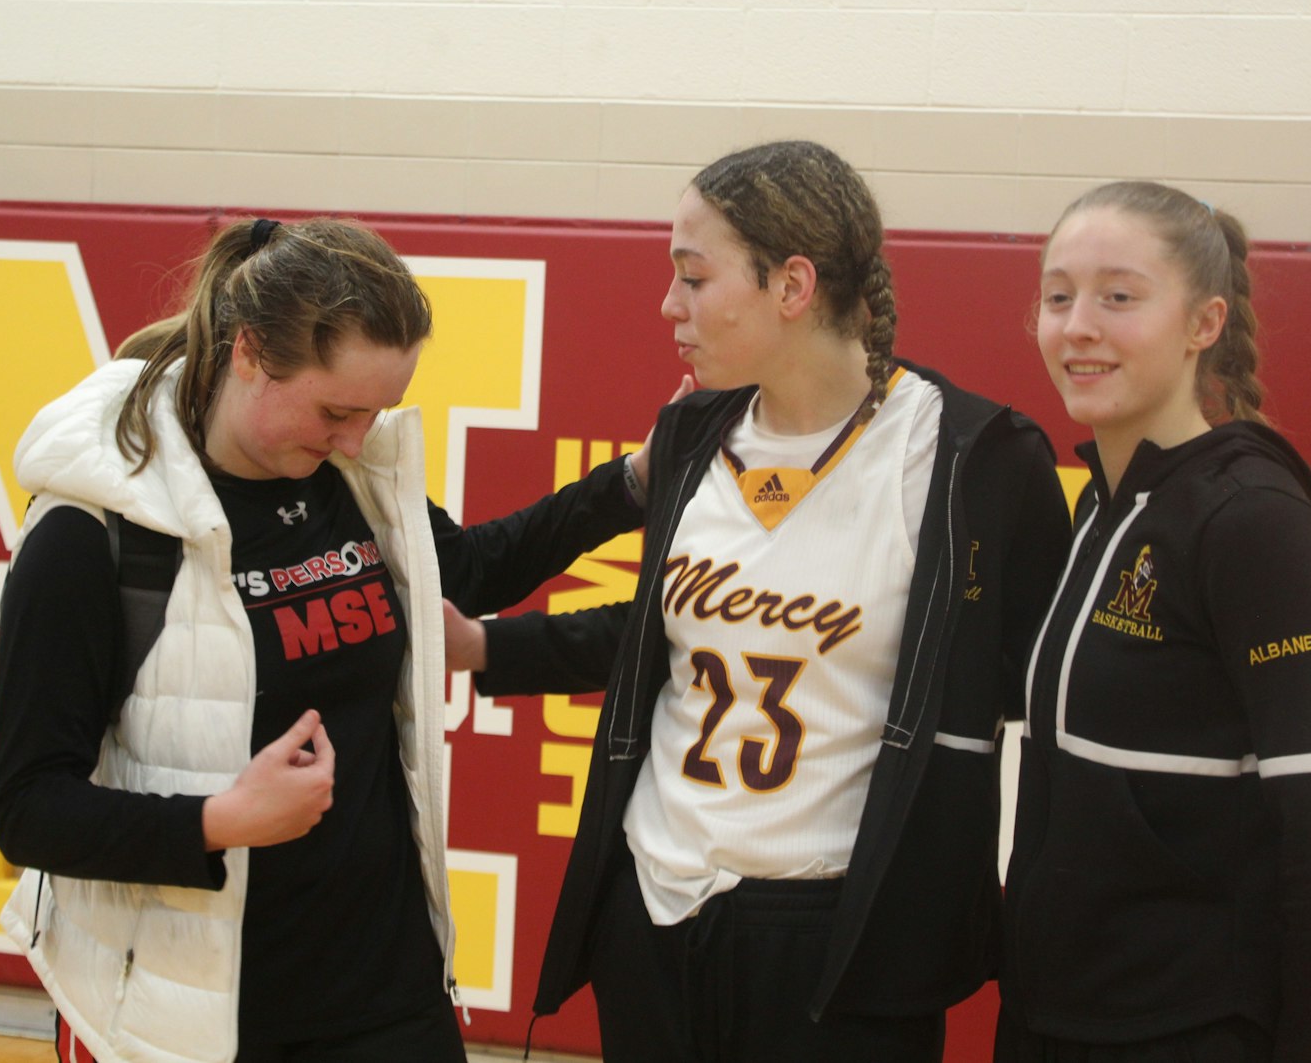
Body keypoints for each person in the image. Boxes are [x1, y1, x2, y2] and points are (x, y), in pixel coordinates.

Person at [446, 140, 1073, 1062]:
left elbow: (1023, 680)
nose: (669, 305)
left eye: (693, 277)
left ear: (792, 286)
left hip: (837, 938)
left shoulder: (973, 455)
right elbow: (668, 634)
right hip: (654, 912)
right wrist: (488, 648)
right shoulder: (693, 430)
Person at [0, 216, 648, 1063]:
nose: (355, 437)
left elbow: (469, 567)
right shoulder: (94, 536)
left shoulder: (346, 476)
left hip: (389, 995)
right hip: (197, 1019)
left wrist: (631, 483)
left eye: (375, 412)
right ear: (251, 353)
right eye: (337, 409)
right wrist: (222, 820)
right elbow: (30, 811)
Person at [995, 181, 1311, 1062]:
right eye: (1058, 296)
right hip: (1053, 1014)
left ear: (1204, 323)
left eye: (1120, 296)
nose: (1079, 325)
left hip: (1185, 1029)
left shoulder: (1252, 519)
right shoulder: (1104, 507)